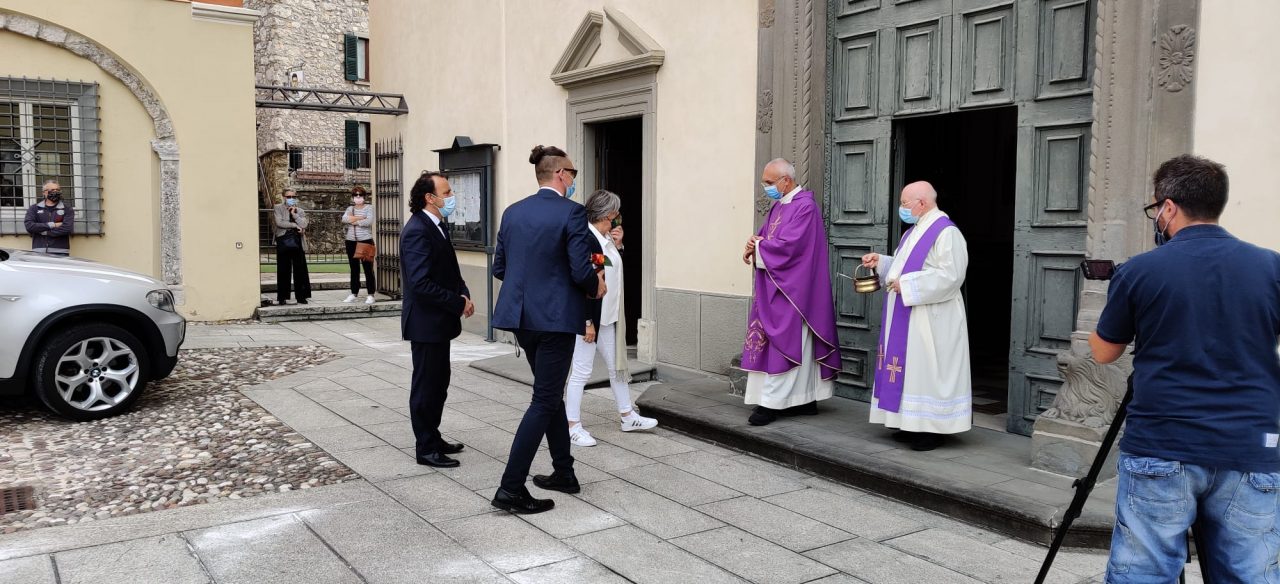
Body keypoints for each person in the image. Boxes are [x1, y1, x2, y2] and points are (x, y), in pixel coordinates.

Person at [1090, 155, 1280, 582]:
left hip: (1164, 441)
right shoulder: (1272, 266)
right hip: (1250, 444)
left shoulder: (1140, 270)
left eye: (1155, 208)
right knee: (1251, 573)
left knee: (1144, 571)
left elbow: (1104, 353)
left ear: (1169, 207)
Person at [490, 145, 605, 514]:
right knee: (543, 400)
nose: (574, 179)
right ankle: (510, 489)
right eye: (573, 172)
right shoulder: (572, 213)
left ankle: (564, 473)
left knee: (549, 393)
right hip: (555, 320)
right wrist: (595, 286)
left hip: (522, 319)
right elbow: (579, 269)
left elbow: (500, 268)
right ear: (561, 175)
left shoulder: (512, 212)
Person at [860, 181, 971, 452]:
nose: (902, 208)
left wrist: (908, 285)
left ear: (922, 203)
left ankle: (931, 430)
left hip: (932, 317)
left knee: (927, 371)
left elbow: (951, 276)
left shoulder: (947, 233)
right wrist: (883, 262)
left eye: (904, 203)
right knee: (910, 371)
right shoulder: (913, 232)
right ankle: (910, 423)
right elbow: (904, 266)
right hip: (909, 312)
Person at [740, 158, 842, 427]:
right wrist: (754, 243)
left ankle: (772, 403)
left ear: (786, 181)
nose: (766, 187)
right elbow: (767, 238)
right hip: (776, 286)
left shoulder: (805, 207)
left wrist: (762, 247)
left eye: (770, 183)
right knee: (788, 344)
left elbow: (791, 248)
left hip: (795, 291)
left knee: (788, 343)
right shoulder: (780, 206)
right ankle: (805, 399)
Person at [564, 189, 658, 447]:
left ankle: (627, 415)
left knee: (617, 367)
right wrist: (586, 321)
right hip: (590, 319)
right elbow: (583, 280)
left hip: (607, 317)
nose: (618, 218)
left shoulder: (602, 239)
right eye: (615, 214)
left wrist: (617, 245)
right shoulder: (586, 238)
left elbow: (603, 267)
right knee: (581, 372)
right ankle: (572, 425)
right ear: (607, 214)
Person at [401, 171, 473, 468]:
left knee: (439, 383)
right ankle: (426, 448)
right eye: (446, 192)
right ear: (429, 198)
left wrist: (464, 292)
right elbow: (420, 283)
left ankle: (434, 434)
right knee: (426, 386)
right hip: (426, 323)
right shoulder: (417, 229)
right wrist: (457, 302)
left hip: (439, 323)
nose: (451, 196)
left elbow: (449, 271)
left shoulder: (438, 225)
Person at [273, 190, 312, 305]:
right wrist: (295, 225)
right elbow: (279, 223)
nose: (291, 198)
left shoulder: (300, 210)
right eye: (288, 196)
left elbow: (304, 224)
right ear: (283, 197)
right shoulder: (278, 208)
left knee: (300, 269)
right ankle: (282, 297)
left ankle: (301, 296)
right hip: (283, 240)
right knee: (283, 269)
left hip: (297, 241)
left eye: (293, 196)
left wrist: (294, 215)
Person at [342, 185, 377, 305]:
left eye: (360, 195)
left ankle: (371, 294)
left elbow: (368, 222)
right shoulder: (350, 209)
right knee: (354, 268)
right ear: (352, 197)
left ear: (364, 196)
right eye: (355, 195)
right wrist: (359, 218)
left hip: (365, 240)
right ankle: (353, 293)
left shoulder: (369, 208)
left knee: (368, 268)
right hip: (351, 240)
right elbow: (344, 219)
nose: (358, 197)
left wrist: (353, 221)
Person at [24, 180, 74, 256]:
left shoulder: (67, 209)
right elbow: (30, 226)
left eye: (58, 190)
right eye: (52, 190)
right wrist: (53, 225)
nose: (56, 192)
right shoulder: (34, 208)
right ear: (44, 192)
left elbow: (67, 228)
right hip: (39, 251)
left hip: (60, 252)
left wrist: (45, 232)